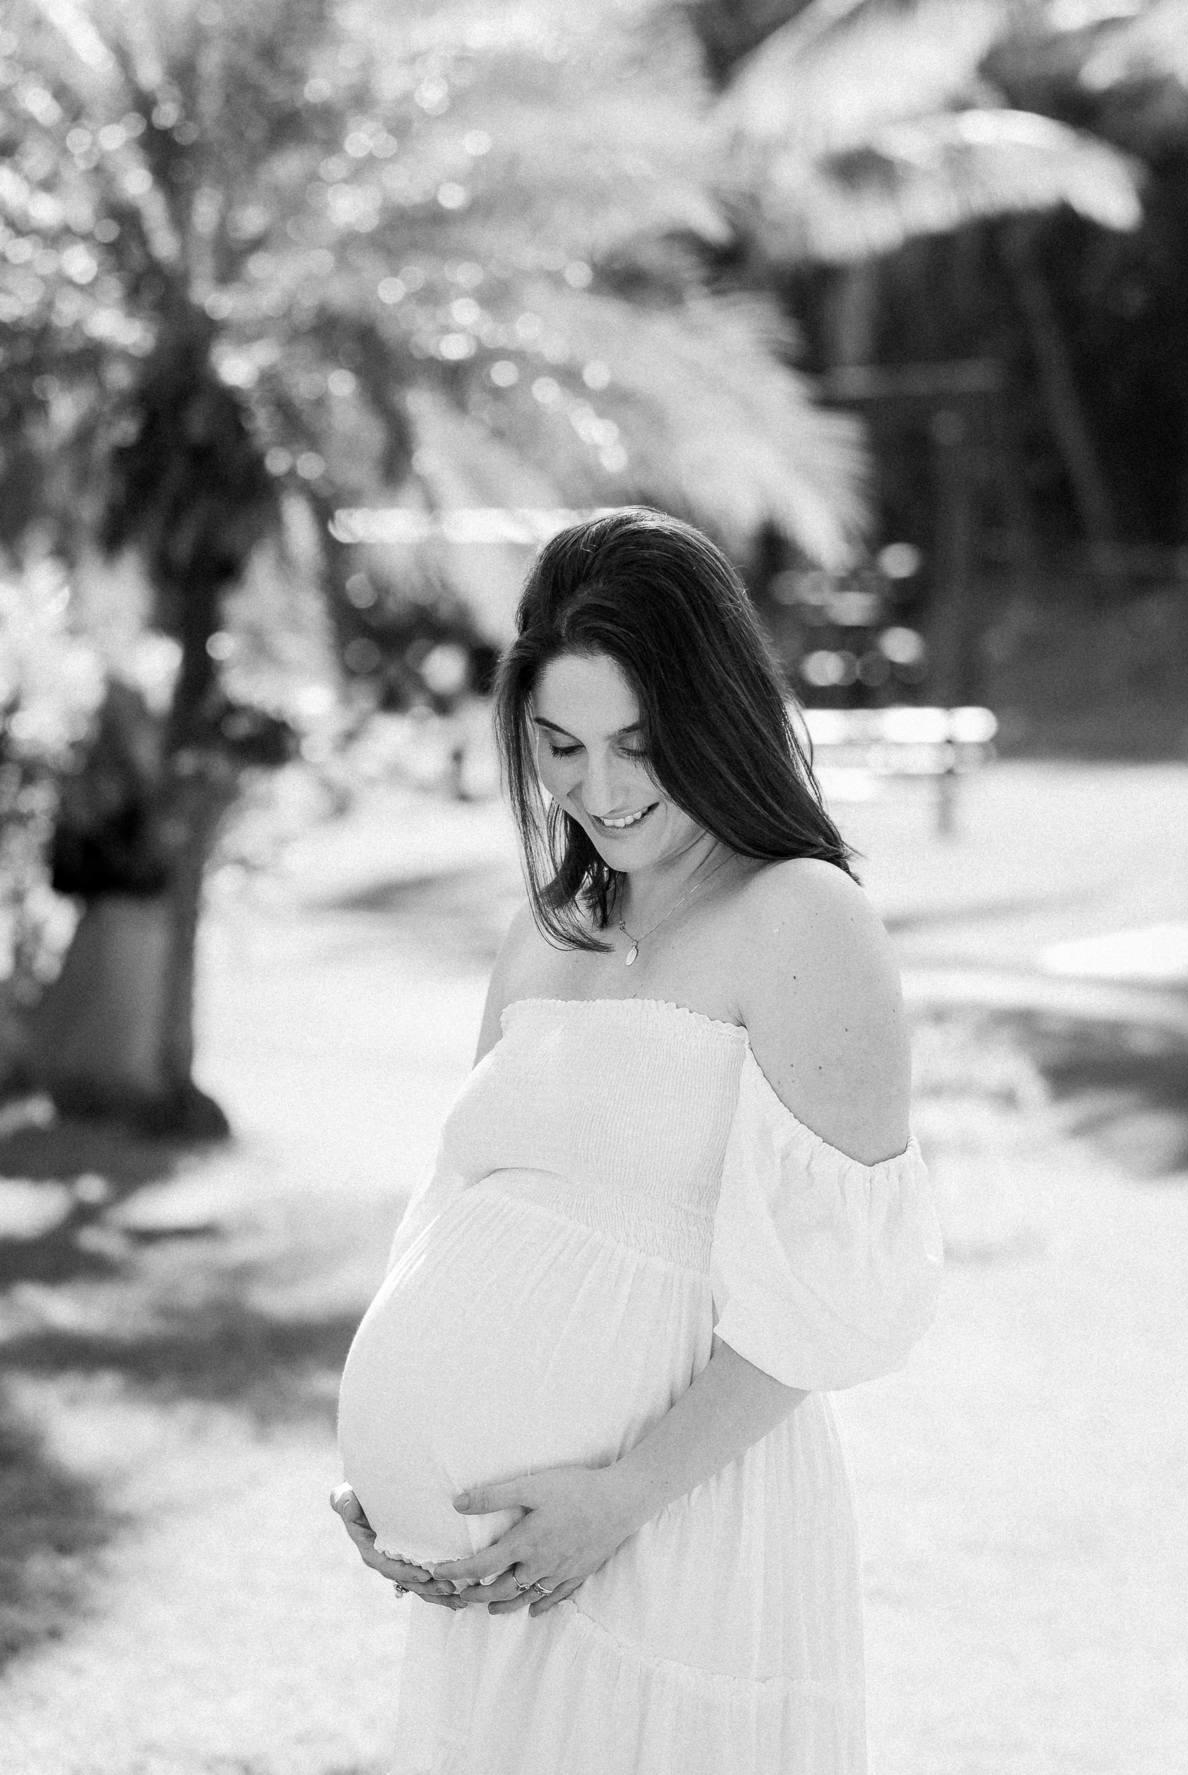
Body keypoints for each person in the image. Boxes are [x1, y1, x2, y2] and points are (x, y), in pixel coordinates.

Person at [331, 508, 943, 1775]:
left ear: (714, 716)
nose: (598, 791)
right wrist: (399, 1472)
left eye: (637, 744)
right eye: (560, 746)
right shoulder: (545, 931)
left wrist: (622, 1496)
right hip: (506, 1569)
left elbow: (837, 1292)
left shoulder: (801, 917)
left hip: (683, 1525)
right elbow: (467, 1203)